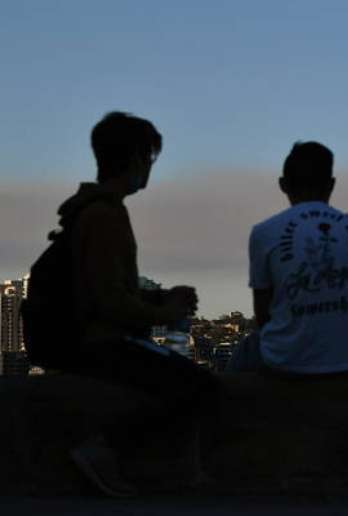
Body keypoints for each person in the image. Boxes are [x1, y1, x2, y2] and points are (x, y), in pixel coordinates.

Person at [51, 112, 218, 497]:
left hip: (92, 335)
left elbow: (108, 287)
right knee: (199, 387)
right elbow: (109, 302)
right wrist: (166, 313)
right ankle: (103, 449)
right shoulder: (104, 215)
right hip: (97, 341)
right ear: (137, 158)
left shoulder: (95, 209)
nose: (150, 168)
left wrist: (160, 297)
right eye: (149, 158)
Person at [228, 142, 348, 374]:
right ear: (331, 184)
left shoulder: (264, 232)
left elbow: (263, 314)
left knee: (244, 352)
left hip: (285, 364)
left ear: (283, 185)